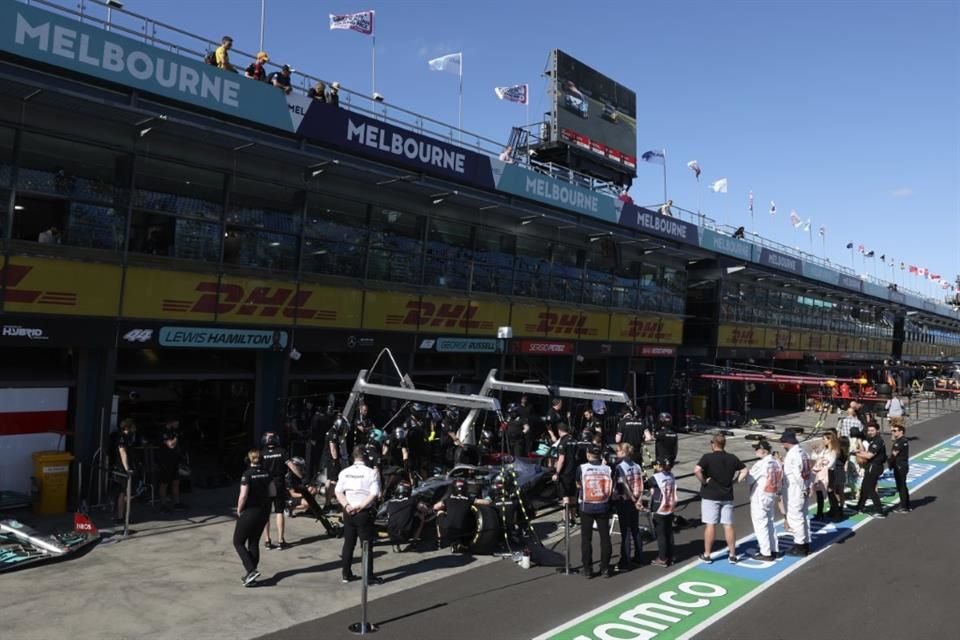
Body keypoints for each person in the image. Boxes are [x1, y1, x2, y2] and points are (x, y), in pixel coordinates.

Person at [694, 434, 746, 563]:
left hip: (710, 495)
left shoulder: (707, 457)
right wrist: (735, 482)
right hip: (727, 495)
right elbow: (744, 470)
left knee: (710, 524)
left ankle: (707, 554)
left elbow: (696, 470)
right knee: (728, 525)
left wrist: (704, 481)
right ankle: (733, 554)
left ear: (713, 443)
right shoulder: (732, 458)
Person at [336, 445, 383, 584]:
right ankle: (368, 576)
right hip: (363, 513)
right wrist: (360, 507)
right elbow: (375, 493)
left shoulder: (345, 472)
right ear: (366, 457)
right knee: (366, 545)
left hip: (348, 512)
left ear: (353, 457)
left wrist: (347, 506)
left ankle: (346, 574)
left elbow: (338, 491)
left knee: (348, 543)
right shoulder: (371, 473)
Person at [234, 449, 275, 587]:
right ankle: (251, 575)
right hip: (264, 511)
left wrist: (239, 509)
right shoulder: (268, 473)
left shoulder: (247, 475)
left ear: (249, 459)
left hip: (250, 511)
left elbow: (243, 495)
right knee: (253, 542)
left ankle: (251, 570)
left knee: (238, 542)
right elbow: (273, 491)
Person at [578, 444, 614, 578]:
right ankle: (605, 568)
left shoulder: (582, 468)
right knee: (605, 537)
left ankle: (587, 569)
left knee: (586, 538)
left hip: (587, 505)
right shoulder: (608, 469)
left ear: (588, 454)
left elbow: (578, 484)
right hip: (603, 504)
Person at [745, 440, 782, 561]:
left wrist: (747, 473)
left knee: (760, 524)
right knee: (770, 522)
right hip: (771, 494)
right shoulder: (776, 462)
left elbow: (749, 480)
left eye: (757, 449)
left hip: (760, 496)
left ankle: (765, 552)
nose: (755, 451)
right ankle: (773, 548)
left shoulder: (760, 464)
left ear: (764, 451)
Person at [261, 432, 298, 550]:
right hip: (278, 484)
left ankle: (267, 541)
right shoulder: (282, 451)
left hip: (265, 484)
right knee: (279, 511)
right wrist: (300, 475)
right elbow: (291, 465)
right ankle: (281, 541)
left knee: (265, 513)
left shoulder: (261, 453)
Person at [780, 430, 813, 556]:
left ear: (787, 442)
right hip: (802, 486)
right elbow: (808, 471)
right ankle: (805, 542)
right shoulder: (803, 452)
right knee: (803, 516)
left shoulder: (793, 455)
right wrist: (808, 485)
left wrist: (804, 487)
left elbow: (797, 474)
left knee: (795, 517)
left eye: (783, 442)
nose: (783, 445)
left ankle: (799, 546)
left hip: (795, 489)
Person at [613, 443, 644, 571]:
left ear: (624, 453)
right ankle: (639, 556)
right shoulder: (636, 466)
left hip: (625, 501)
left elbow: (624, 486)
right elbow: (641, 484)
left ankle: (625, 561)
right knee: (635, 529)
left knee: (625, 531)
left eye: (618, 451)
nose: (616, 453)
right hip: (636, 499)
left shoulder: (619, 467)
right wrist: (639, 499)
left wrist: (632, 498)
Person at [434, 478, 476, 553]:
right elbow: (484, 502)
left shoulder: (448, 498)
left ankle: (440, 541)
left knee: (440, 512)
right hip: (464, 530)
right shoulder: (469, 499)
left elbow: (435, 507)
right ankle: (462, 542)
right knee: (470, 518)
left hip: (447, 529)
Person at [386, 481, 429, 552]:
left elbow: (389, 516)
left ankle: (395, 544)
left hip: (391, 532)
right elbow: (425, 509)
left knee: (393, 519)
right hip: (405, 532)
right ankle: (414, 542)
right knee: (421, 516)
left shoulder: (390, 502)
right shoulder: (412, 500)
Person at [648, 458, 676, 567]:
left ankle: (663, 558)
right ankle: (670, 555)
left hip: (659, 508)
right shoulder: (671, 476)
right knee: (668, 532)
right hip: (669, 506)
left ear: (660, 466)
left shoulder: (656, 477)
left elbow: (646, 484)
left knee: (661, 535)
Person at [855, 422, 887, 517]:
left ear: (877, 430)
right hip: (872, 466)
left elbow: (869, 455)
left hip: (874, 467)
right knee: (865, 487)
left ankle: (880, 511)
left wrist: (855, 453)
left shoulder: (877, 441)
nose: (870, 432)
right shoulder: (873, 440)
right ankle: (860, 506)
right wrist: (860, 451)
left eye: (872, 430)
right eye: (869, 430)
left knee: (870, 489)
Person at [113, 418, 140, 524]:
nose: (135, 428)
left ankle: (125, 516)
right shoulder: (122, 437)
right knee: (123, 492)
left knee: (127, 493)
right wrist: (127, 468)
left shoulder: (131, 437)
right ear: (128, 427)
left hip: (130, 467)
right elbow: (122, 452)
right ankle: (121, 517)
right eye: (133, 426)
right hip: (122, 469)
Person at [553, 422, 579, 528]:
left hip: (565, 473)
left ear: (559, 431)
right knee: (573, 496)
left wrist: (557, 472)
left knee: (565, 497)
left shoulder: (562, 442)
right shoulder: (574, 441)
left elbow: (561, 459)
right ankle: (573, 518)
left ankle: (565, 520)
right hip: (575, 471)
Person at [812, 431, 842, 520]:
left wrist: (821, 461)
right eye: (823, 439)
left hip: (829, 473)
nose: (823, 440)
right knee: (819, 493)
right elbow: (815, 458)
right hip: (820, 473)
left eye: (824, 439)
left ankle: (836, 513)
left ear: (830, 440)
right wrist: (814, 451)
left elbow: (830, 463)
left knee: (830, 493)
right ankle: (819, 513)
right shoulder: (824, 450)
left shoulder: (834, 451)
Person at [156, 427, 186, 512]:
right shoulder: (164, 433)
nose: (178, 424)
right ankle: (163, 505)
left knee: (176, 482)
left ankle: (177, 503)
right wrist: (176, 438)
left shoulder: (174, 431)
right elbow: (171, 445)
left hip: (175, 461)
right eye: (176, 422)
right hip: (165, 462)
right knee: (164, 483)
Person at [889, 424, 911, 513]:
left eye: (895, 430)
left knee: (901, 486)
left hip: (900, 466)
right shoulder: (900, 440)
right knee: (902, 486)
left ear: (901, 431)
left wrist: (888, 461)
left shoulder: (901, 441)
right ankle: (906, 504)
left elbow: (894, 453)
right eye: (892, 431)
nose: (893, 432)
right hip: (900, 465)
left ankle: (904, 506)